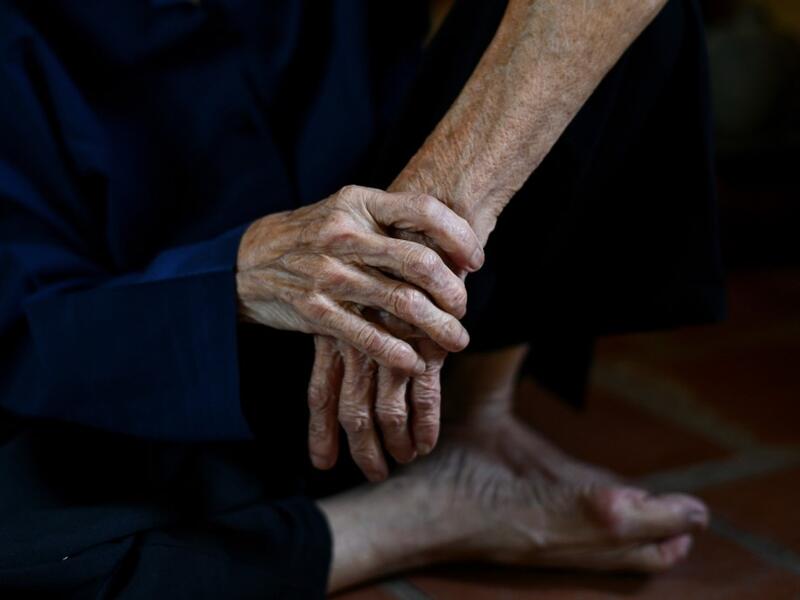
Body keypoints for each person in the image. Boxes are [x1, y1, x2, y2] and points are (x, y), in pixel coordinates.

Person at [0, 0, 724, 597]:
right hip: (139, 381)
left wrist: (435, 213)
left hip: (406, 347)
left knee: (609, 21)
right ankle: (412, 517)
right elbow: (26, 334)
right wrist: (240, 274)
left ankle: (474, 422)